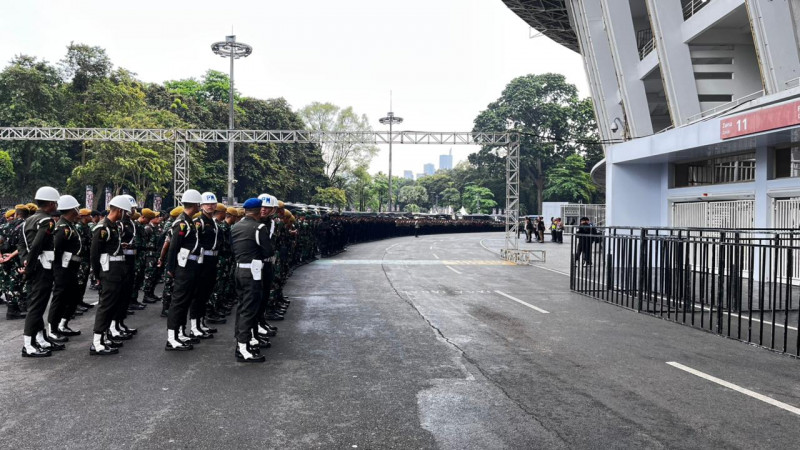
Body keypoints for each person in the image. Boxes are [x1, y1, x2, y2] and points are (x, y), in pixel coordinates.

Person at [19, 186, 62, 357]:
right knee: (37, 306)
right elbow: (37, 245)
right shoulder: (47, 221)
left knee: (38, 303)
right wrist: (29, 267)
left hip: (34, 265)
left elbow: (22, 244)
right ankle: (28, 345)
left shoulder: (28, 220)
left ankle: (40, 338)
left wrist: (25, 261)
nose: (56, 205)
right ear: (50, 203)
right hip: (42, 266)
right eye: (55, 202)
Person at [230, 198, 273, 363]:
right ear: (258, 210)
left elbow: (232, 248)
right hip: (252, 272)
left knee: (242, 307)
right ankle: (243, 348)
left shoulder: (235, 227)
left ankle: (241, 342)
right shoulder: (259, 228)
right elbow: (268, 251)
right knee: (249, 310)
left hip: (239, 269)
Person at [89, 195, 132, 355]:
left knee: (112, 305)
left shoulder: (112, 226)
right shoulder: (103, 227)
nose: (126, 215)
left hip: (116, 271)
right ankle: (97, 342)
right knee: (105, 306)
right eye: (125, 212)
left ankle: (104, 337)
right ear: (119, 210)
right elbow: (94, 254)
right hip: (108, 272)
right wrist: (97, 275)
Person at [164, 189, 204, 351]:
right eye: (199, 204)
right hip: (183, 267)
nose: (200, 207)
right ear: (194, 204)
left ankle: (179, 332)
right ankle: (171, 338)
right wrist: (171, 268)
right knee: (178, 302)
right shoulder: (182, 223)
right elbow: (173, 247)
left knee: (185, 301)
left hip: (190, 266)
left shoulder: (188, 222)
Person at [49, 195, 83, 341]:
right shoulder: (62, 228)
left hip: (71, 268)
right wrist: (59, 269)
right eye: (77, 208)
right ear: (72, 209)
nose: (79, 210)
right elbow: (55, 250)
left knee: (73, 297)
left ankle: (63, 324)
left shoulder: (70, 225)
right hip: (63, 268)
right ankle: (52, 329)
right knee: (59, 298)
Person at [188, 192, 221, 339]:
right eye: (207, 204)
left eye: (213, 204)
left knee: (206, 293)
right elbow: (195, 242)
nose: (210, 206)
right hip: (201, 261)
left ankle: (201, 323)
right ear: (201, 205)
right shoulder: (198, 221)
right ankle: (194, 327)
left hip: (212, 261)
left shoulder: (213, 222)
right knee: (198, 294)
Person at [1, 205, 29, 320]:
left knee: (8, 284)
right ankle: (14, 310)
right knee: (17, 283)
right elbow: (23, 245)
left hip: (5, 258)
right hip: (16, 259)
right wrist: (12, 255)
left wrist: (1, 257)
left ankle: (13, 309)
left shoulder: (4, 226)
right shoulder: (24, 226)